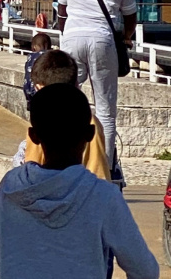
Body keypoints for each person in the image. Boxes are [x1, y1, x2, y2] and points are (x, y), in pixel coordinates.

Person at [0, 84, 158, 279]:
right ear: (90, 134)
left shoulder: (11, 187)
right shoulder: (102, 196)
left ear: (33, 136)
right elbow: (145, 272)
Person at [55, 0, 136, 166]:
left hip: (72, 39)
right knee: (105, 109)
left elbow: (62, 12)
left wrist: (67, 34)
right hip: (102, 40)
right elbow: (130, 17)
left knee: (68, 102)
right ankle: (105, 166)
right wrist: (127, 38)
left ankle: (65, 160)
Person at [11, 48, 111, 180]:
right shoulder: (90, 119)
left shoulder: (44, 118)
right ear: (75, 83)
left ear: (39, 87)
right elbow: (99, 169)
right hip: (91, 191)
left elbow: (31, 172)